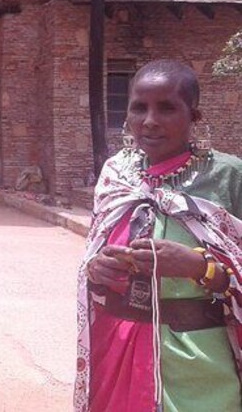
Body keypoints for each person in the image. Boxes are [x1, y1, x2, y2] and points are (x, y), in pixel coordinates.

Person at [75, 59, 242, 411]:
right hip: (118, 346)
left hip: (200, 362)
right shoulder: (117, 173)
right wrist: (97, 269)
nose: (150, 121)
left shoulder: (229, 177)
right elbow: (94, 250)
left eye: (167, 108)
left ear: (193, 116)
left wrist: (198, 268)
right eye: (139, 107)